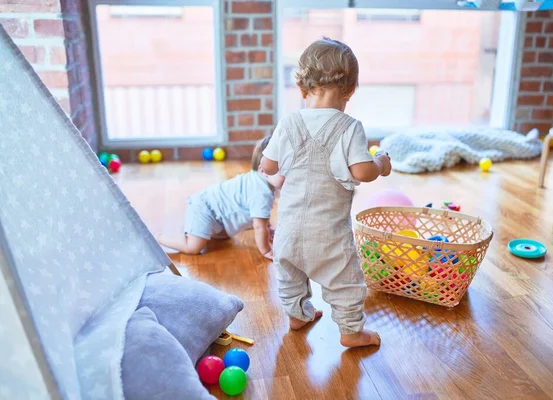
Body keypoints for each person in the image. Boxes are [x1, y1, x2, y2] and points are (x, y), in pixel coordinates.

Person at [260, 37, 391, 348]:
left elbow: (267, 165)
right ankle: (351, 331)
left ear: (303, 89)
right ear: (350, 90)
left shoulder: (288, 122)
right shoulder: (350, 127)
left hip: (288, 232)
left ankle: (297, 314)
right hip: (328, 236)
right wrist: (381, 163)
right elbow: (363, 172)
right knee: (345, 283)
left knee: (289, 278)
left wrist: (277, 157)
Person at [158, 137, 284, 258]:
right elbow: (259, 225)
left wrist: (268, 228)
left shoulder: (260, 181)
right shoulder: (261, 192)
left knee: (229, 234)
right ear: (263, 170)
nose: (287, 175)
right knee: (194, 247)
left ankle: (200, 230)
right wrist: (266, 250)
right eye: (282, 170)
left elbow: (262, 216)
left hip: (217, 214)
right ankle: (160, 237)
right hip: (204, 208)